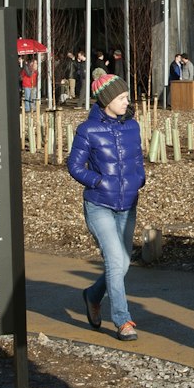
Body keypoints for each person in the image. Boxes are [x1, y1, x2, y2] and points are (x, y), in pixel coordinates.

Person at [66, 72, 147, 341]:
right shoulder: (87, 130)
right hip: (99, 205)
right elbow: (74, 166)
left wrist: (139, 179)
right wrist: (98, 181)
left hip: (128, 204)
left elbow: (137, 159)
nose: (127, 102)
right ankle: (123, 321)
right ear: (107, 100)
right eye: (122, 98)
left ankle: (92, 295)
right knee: (115, 261)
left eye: (127, 97)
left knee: (122, 264)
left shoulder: (132, 126)